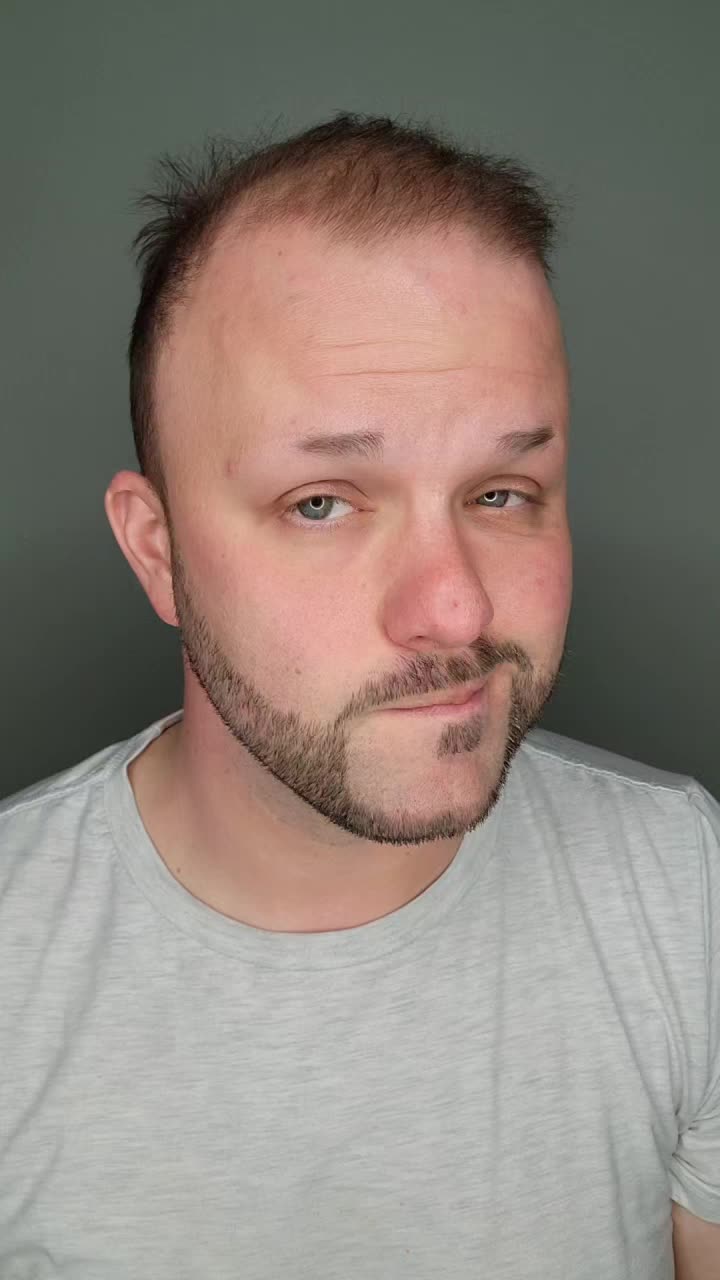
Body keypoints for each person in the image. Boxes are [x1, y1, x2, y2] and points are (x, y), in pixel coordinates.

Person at [1, 113, 718, 1279]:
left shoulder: (683, 890)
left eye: (502, 492)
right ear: (157, 549)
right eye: (323, 502)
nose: (456, 608)